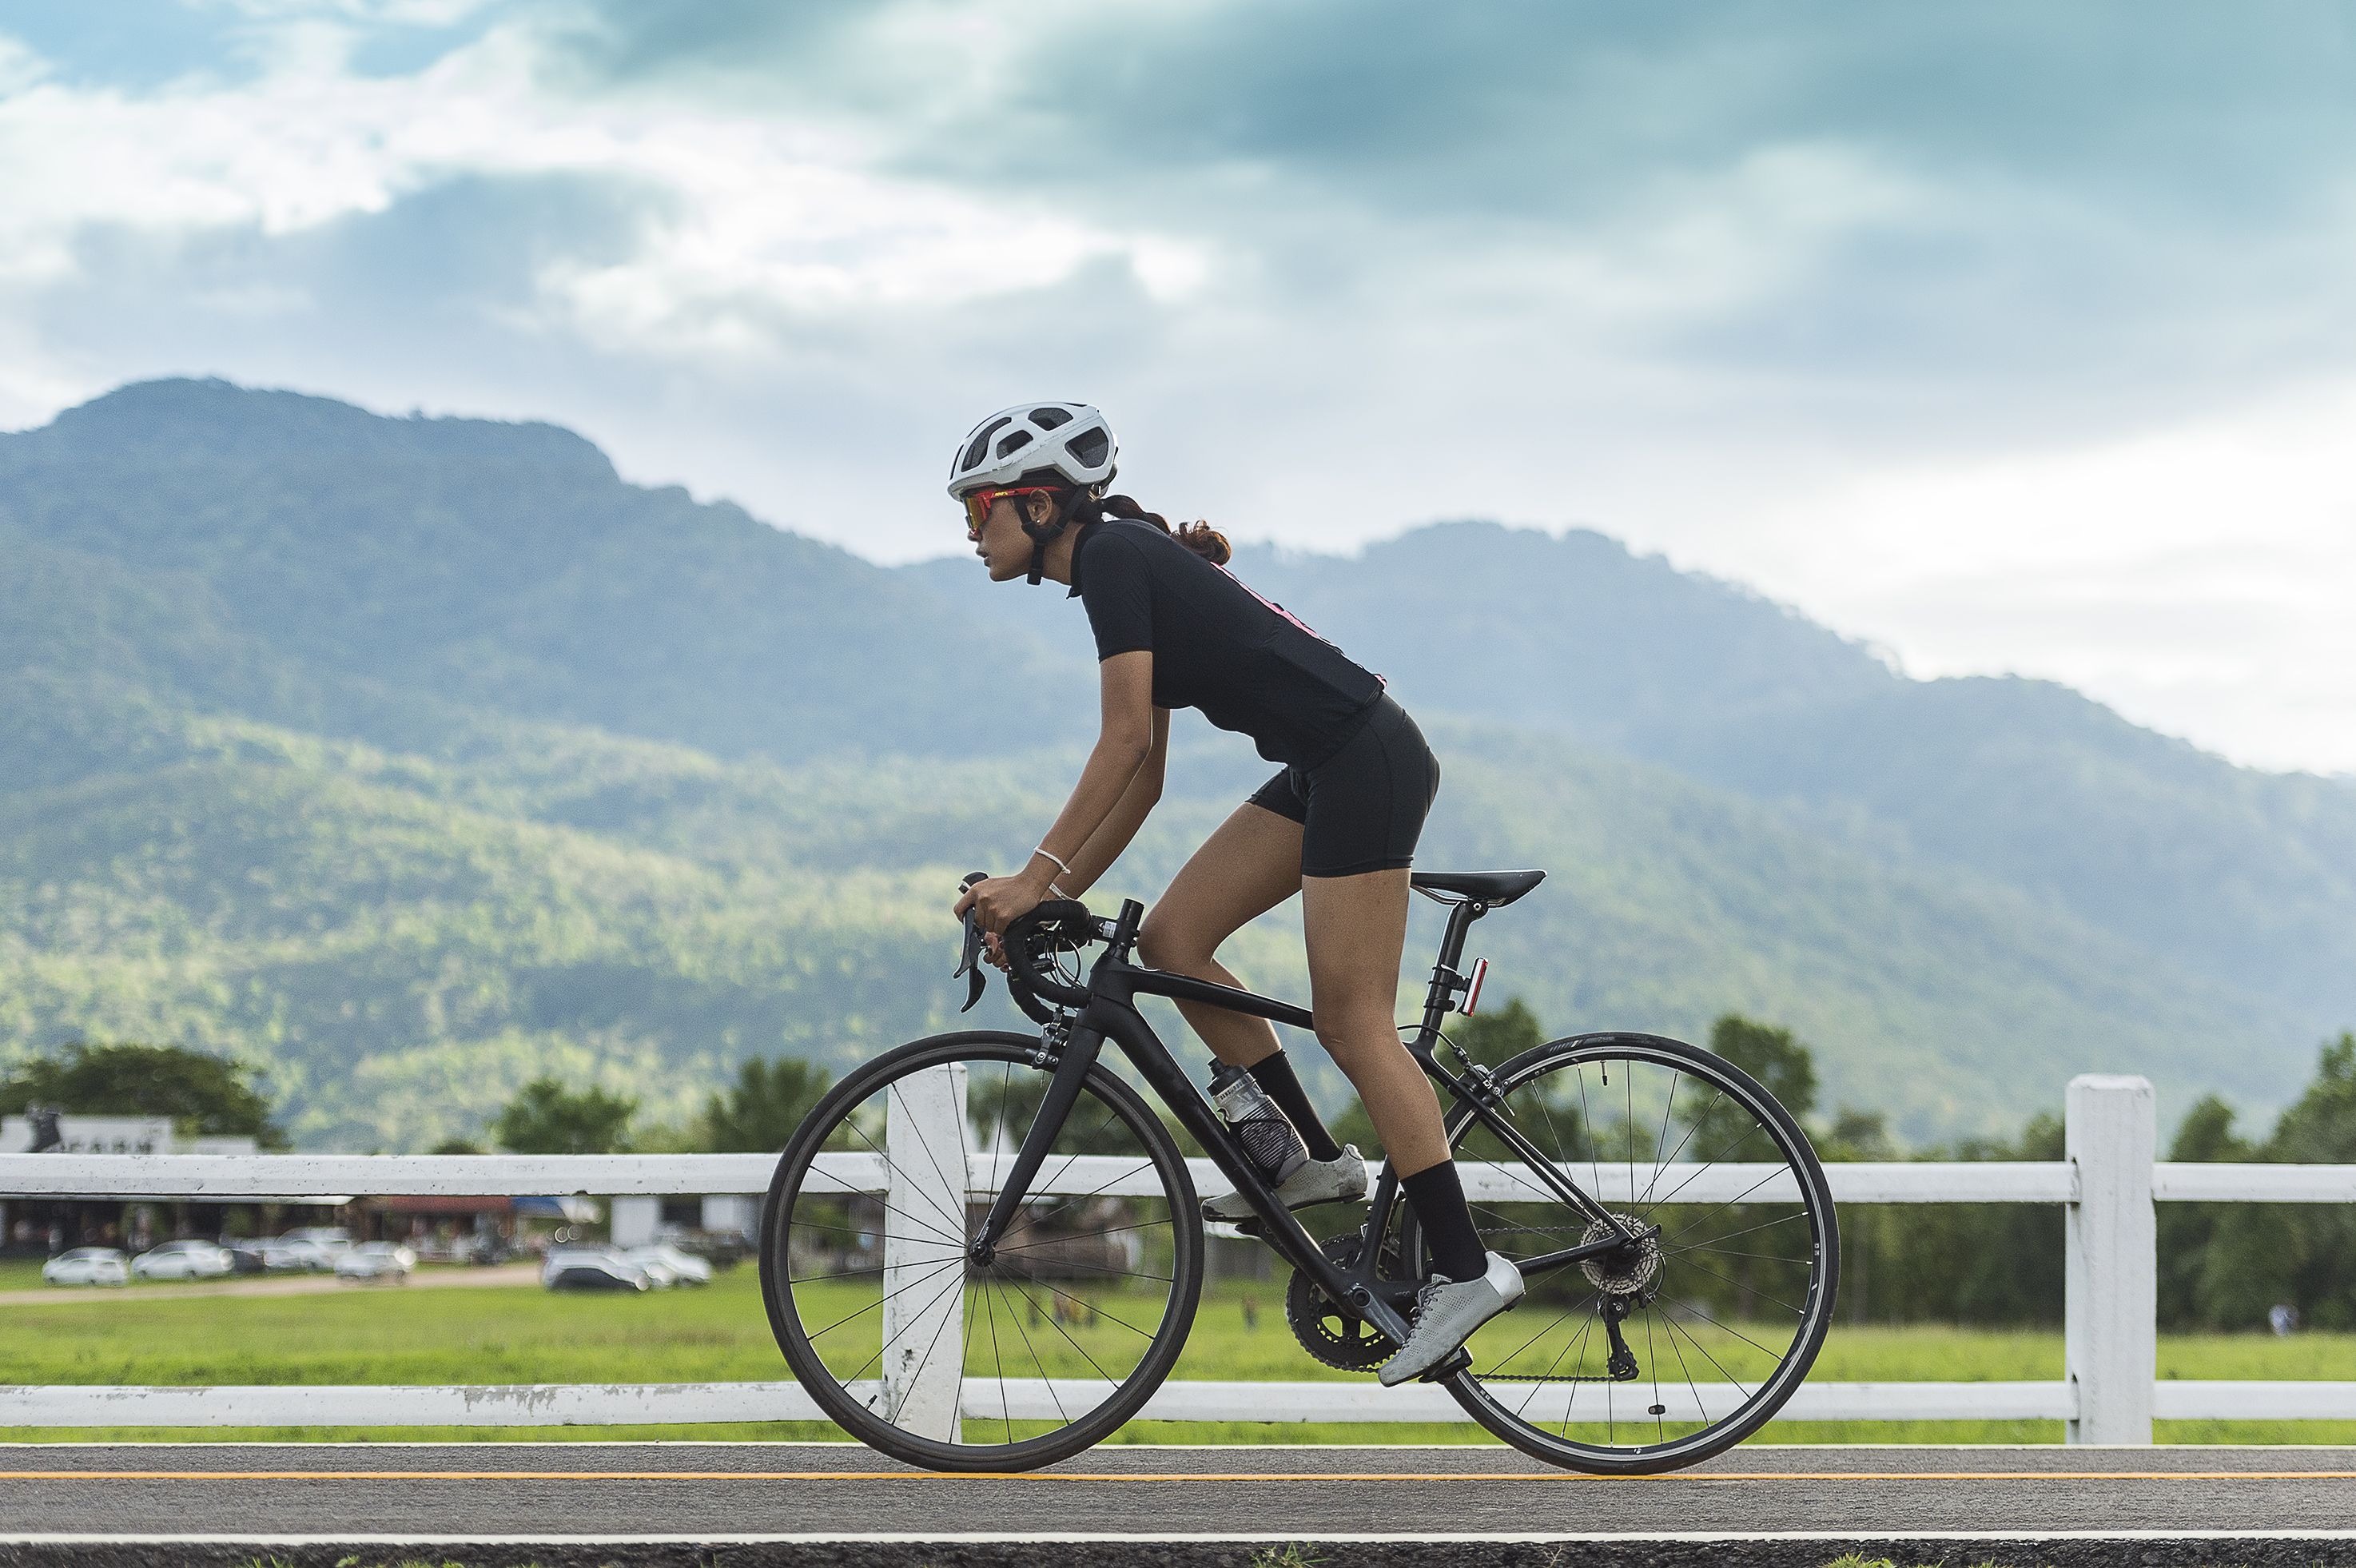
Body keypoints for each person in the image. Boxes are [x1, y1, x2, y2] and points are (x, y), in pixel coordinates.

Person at [947, 400, 1521, 1386]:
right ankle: (1306, 1162)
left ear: (1039, 505)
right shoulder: (1119, 564)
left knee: (1352, 1024)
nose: (969, 532)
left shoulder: (1116, 561)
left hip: (1364, 761)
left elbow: (1121, 743)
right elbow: (1146, 778)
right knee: (1174, 938)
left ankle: (1465, 1268)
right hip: (1324, 765)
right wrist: (1048, 898)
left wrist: (1032, 878)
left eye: (979, 509)